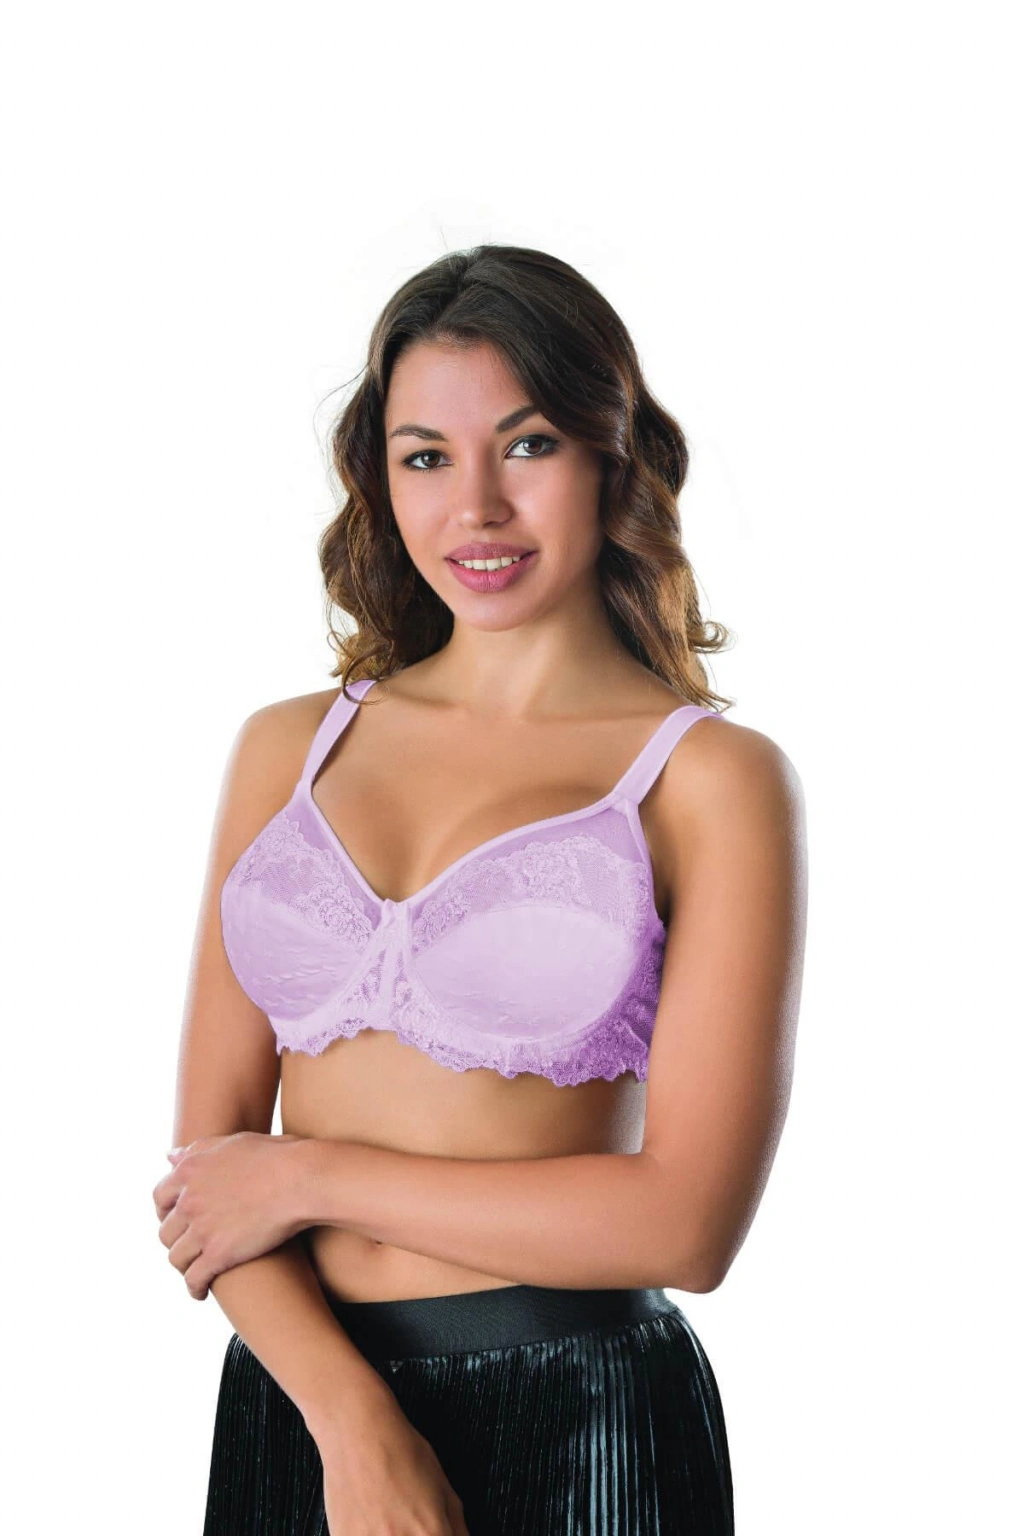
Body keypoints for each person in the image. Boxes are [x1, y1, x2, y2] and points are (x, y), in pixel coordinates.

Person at [153, 243, 807, 1535]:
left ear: (613, 454)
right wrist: (353, 1425)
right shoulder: (289, 751)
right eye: (426, 458)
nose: (478, 509)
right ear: (379, 477)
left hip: (584, 1423)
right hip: (301, 1414)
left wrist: (309, 1176)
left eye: (528, 446)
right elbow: (208, 1184)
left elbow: (686, 1225)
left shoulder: (710, 782)